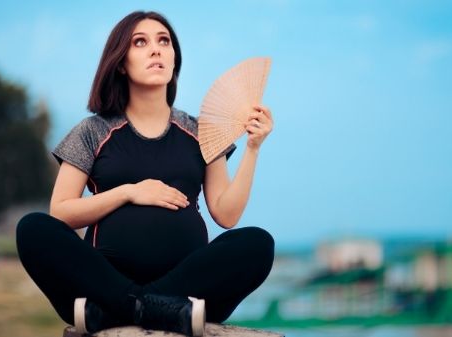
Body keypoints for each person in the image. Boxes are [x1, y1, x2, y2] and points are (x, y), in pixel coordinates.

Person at [16, 10, 274, 337]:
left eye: (163, 41)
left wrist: (253, 148)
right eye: (141, 42)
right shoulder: (93, 130)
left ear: (173, 58)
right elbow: (61, 211)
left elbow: (226, 213)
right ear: (121, 62)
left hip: (188, 287)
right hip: (103, 281)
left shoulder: (201, 130)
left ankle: (126, 310)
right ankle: (154, 309)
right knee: (33, 228)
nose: (156, 49)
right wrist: (129, 192)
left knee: (258, 243)